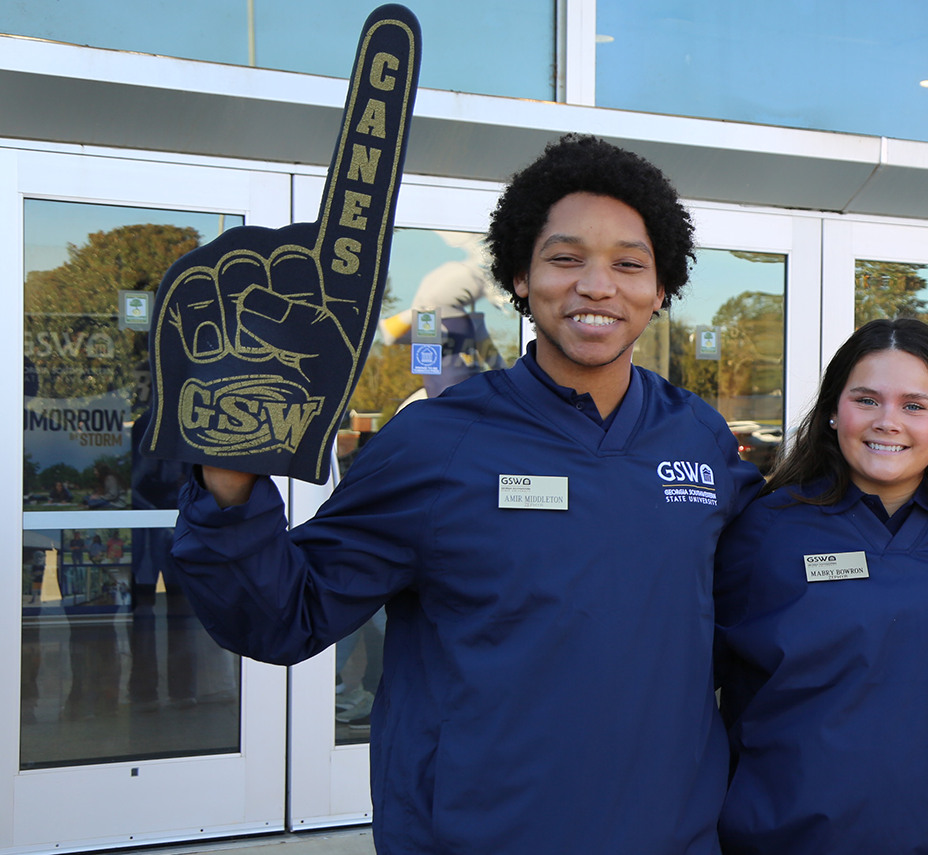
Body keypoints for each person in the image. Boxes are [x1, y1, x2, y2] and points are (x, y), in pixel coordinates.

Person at [164, 134, 765, 854]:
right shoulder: (436, 443)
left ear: (661, 287)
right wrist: (228, 476)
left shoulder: (695, 436)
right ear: (519, 274)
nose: (598, 286)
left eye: (629, 264)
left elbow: (774, 603)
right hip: (479, 834)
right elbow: (284, 617)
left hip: (670, 835)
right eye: (565, 258)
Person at [715, 318, 928, 855]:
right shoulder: (765, 530)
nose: (887, 422)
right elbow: (694, 688)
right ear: (834, 411)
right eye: (866, 399)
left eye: (914, 405)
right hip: (794, 837)